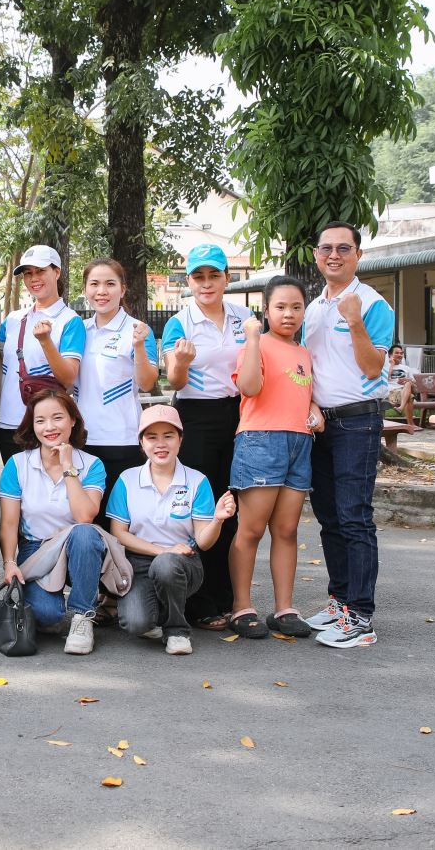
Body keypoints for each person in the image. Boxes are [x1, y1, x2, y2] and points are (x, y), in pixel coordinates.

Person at [304, 221, 393, 649]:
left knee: (354, 516)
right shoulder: (313, 307)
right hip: (321, 423)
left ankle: (361, 616)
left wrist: (355, 321)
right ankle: (340, 603)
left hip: (358, 421)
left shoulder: (373, 304)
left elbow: (373, 367)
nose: (334, 255)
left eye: (344, 248)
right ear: (316, 255)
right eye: (326, 248)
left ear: (358, 254)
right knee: (329, 516)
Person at [161, 243, 254, 632]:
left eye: (214, 275)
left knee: (233, 504)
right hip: (196, 417)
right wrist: (181, 363)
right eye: (198, 276)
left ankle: (231, 597)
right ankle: (198, 600)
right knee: (201, 506)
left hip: (240, 415)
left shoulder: (245, 318)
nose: (206, 283)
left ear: (227, 278)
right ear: (188, 281)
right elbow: (174, 380)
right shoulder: (179, 322)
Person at [227, 277, 323, 639]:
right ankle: (242, 606)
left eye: (296, 307)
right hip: (261, 442)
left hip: (300, 443)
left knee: (286, 530)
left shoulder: (304, 353)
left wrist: (314, 409)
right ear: (266, 311)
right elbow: (249, 387)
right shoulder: (256, 344)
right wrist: (252, 339)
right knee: (251, 530)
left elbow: (303, 394)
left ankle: (284, 608)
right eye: (280, 307)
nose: (288, 314)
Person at [107, 405, 236, 655]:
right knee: (136, 623)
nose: (160, 444)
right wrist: (162, 550)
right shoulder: (127, 480)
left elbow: (204, 542)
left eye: (168, 436)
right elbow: (119, 533)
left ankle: (177, 630)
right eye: (152, 437)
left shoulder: (197, 481)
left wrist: (218, 520)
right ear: (141, 442)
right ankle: (161, 611)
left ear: (180, 439)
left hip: (182, 563)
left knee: (165, 565)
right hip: (137, 563)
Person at [0, 389, 110, 655]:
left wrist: (68, 466)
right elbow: (9, 523)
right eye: (40, 420)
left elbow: (85, 516)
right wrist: (9, 563)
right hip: (36, 548)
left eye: (57, 418)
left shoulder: (92, 464)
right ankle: (53, 608)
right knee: (46, 616)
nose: (49, 427)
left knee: (85, 532)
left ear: (73, 420)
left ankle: (83, 617)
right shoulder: (17, 464)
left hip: (78, 549)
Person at [0, 245, 85, 469]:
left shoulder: (70, 321)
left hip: (47, 427)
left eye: (40, 271)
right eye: (28, 273)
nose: (33, 278)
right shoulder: (13, 319)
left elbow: (68, 378)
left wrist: (46, 341)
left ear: (57, 272)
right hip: (8, 423)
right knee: (14, 487)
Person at [76, 258, 159, 484]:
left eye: (110, 284)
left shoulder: (138, 330)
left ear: (122, 290)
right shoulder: (79, 329)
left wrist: (138, 346)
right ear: (85, 289)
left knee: (120, 506)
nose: (102, 291)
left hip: (122, 441)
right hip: (80, 439)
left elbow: (147, 384)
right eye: (94, 284)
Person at [384, 344, 420, 432]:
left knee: (408, 383)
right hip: (392, 392)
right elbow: (385, 378)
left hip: (404, 390)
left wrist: (406, 380)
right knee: (410, 397)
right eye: (397, 353)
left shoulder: (406, 368)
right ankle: (411, 424)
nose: (400, 355)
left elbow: (414, 383)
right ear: (390, 355)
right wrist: (392, 364)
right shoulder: (385, 367)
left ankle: (401, 408)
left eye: (401, 353)